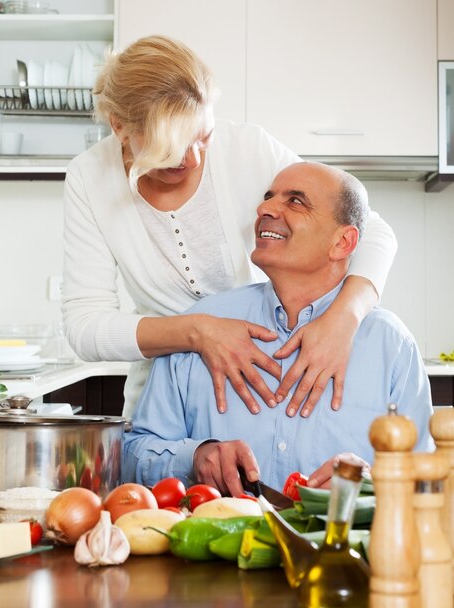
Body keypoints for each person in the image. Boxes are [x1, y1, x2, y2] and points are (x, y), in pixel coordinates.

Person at [62, 35, 397, 420]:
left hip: (263, 391)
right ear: (119, 127)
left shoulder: (247, 148)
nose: (192, 159)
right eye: (170, 150)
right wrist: (198, 331)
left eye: (202, 137)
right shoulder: (90, 178)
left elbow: (371, 231)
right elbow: (85, 327)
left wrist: (343, 318)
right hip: (165, 410)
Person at [122, 162, 432, 493]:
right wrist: (195, 457)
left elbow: (426, 481)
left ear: (342, 242)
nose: (265, 208)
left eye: (295, 201)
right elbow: (130, 456)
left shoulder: (390, 344)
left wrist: (375, 483)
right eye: (269, 197)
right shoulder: (202, 325)